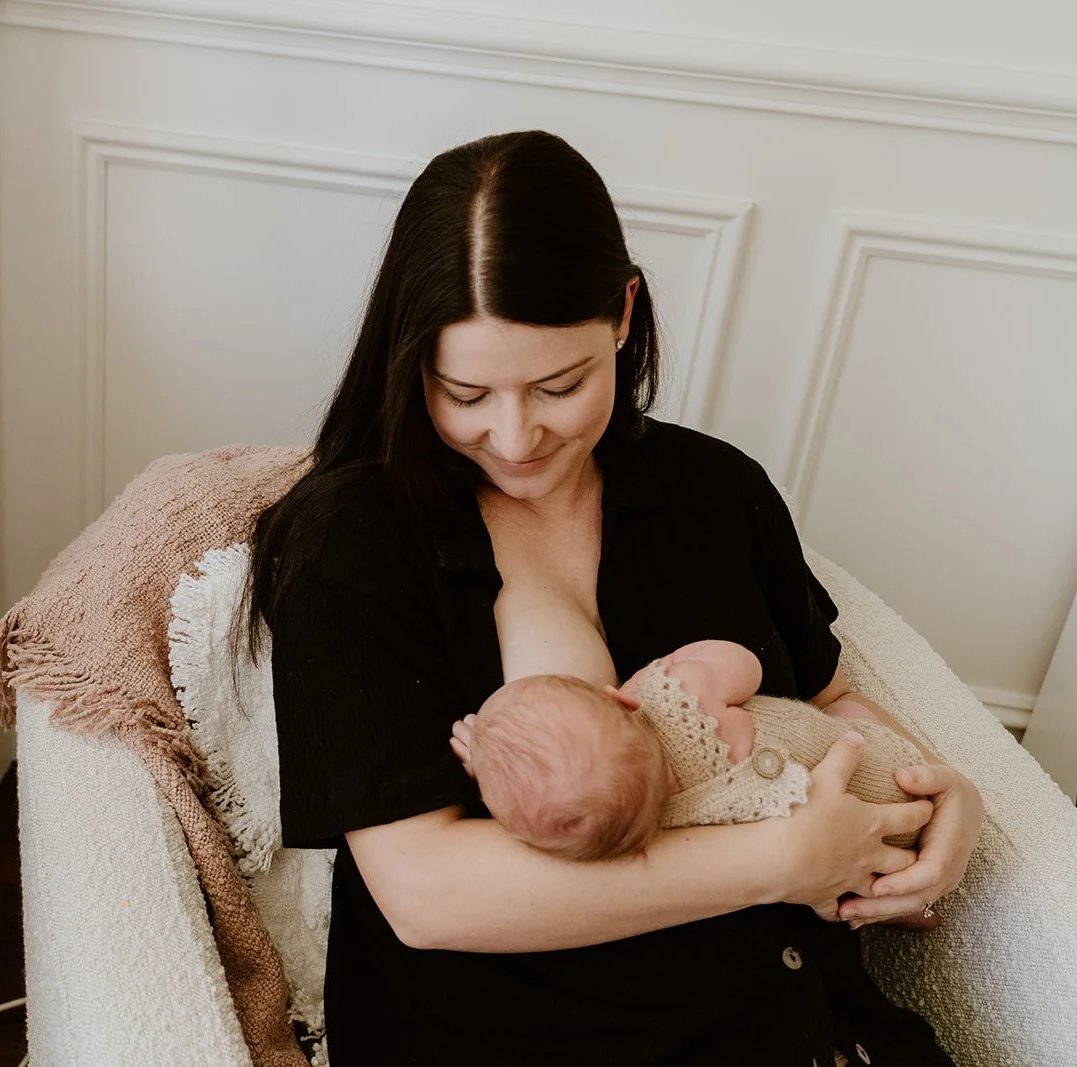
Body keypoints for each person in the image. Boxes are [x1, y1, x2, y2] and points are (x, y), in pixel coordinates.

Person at [247, 130, 983, 1065]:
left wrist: (948, 795)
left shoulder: (718, 491)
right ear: (409, 360)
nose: (514, 437)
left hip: (802, 1020)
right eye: (464, 391)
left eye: (559, 384)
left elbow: (829, 701)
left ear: (625, 313)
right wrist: (778, 864)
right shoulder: (350, 542)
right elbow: (426, 892)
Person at [450, 639, 929, 864]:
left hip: (866, 850)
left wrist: (495, 776)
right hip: (887, 768)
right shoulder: (679, 696)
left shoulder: (668, 824)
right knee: (842, 729)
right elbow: (746, 666)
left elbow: (557, 800)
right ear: (618, 696)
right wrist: (676, 665)